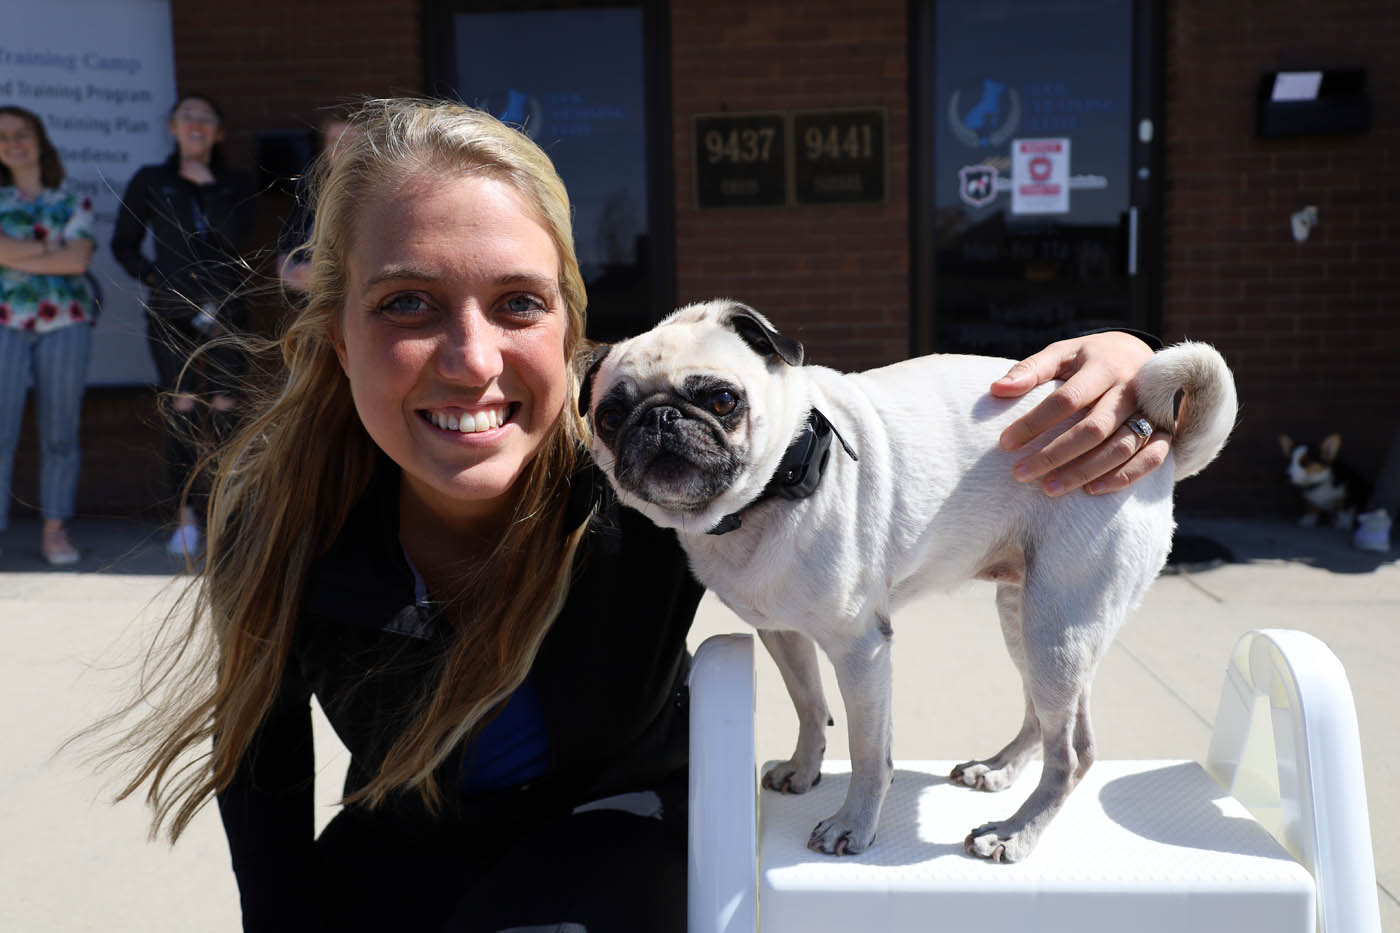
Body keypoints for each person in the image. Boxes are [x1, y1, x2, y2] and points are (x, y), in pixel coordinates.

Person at [100, 99, 1166, 932]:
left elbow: (837, 429)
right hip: (403, 843)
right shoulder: (282, 514)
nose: (471, 358)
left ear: (573, 333)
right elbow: (264, 772)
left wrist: (1118, 366)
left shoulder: (652, 483)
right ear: (335, 334)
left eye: (516, 303)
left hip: (622, 830)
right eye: (406, 302)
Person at [110, 93, 253, 560]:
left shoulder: (233, 182)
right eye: (187, 116)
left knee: (228, 407)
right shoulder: (152, 180)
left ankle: (227, 514)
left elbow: (235, 237)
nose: (196, 124)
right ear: (172, 127)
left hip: (226, 309)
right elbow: (123, 243)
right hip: (171, 311)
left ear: (219, 132)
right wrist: (155, 278)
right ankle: (186, 517)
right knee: (184, 407)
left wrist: (208, 186)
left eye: (206, 117)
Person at [0, 105, 98, 566]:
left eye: (22, 133)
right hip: (6, 324)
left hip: (66, 323)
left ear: (40, 139)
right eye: (3, 137)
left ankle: (55, 531)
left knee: (60, 432)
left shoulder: (71, 199)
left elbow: (77, 262)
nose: (13, 142)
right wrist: (50, 247)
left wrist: (17, 254)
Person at [276, 108, 359, 295]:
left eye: (352, 141)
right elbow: (285, 251)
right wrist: (292, 275)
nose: (343, 149)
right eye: (335, 141)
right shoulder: (310, 195)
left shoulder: (384, 195)